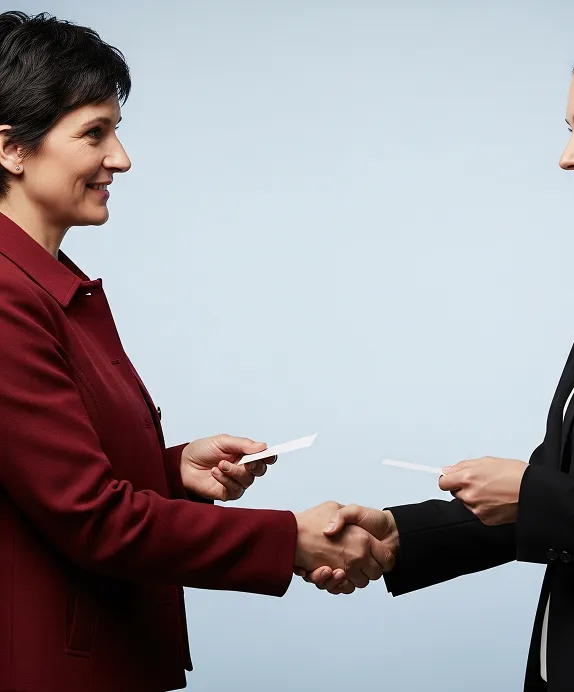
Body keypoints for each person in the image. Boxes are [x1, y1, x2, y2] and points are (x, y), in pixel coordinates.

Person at [0, 12, 394, 692]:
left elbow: (48, 478)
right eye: (95, 133)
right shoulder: (9, 295)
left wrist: (171, 469)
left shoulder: (49, 281)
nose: (120, 158)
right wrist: (287, 540)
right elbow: (91, 517)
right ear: (12, 148)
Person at [301, 24, 574, 692]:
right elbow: (559, 489)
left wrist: (535, 492)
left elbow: (559, 498)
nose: (569, 155)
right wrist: (400, 534)